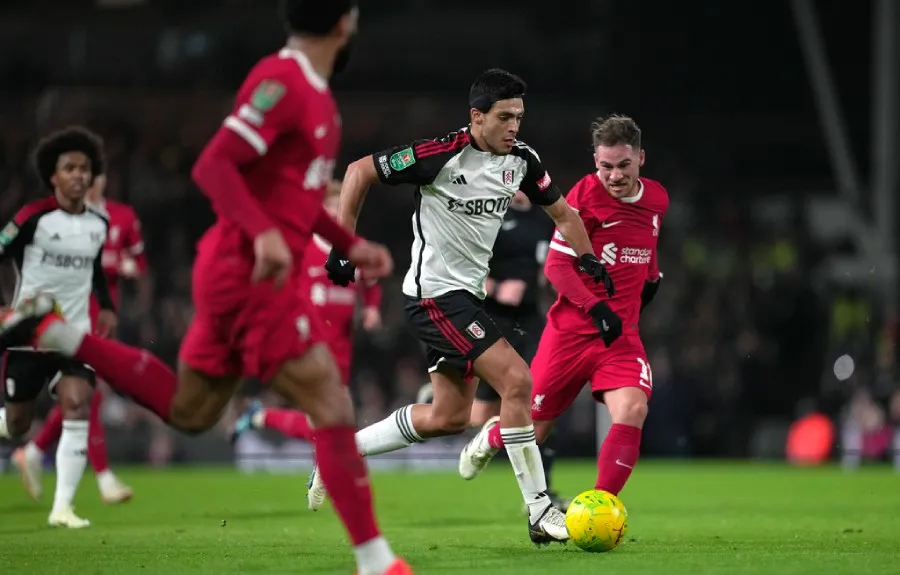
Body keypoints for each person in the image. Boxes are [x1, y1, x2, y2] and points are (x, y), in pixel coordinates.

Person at [0, 2, 411, 573]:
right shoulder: (283, 81)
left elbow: (291, 197)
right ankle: (377, 561)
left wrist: (347, 242)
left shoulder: (314, 93)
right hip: (250, 276)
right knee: (330, 399)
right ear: (345, 22)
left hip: (242, 272)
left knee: (190, 411)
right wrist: (263, 234)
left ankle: (58, 334)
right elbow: (213, 165)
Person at [308, 68, 619, 545]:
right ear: (477, 117)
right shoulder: (439, 155)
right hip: (433, 296)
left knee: (449, 418)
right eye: (504, 117)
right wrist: (343, 246)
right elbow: (358, 171)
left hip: (466, 298)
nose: (514, 126)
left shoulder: (522, 160)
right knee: (518, 380)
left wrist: (588, 257)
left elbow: (563, 213)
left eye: (519, 116)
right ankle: (539, 510)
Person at [458, 114, 668, 500]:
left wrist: (652, 277)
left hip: (619, 336)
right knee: (534, 431)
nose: (615, 176)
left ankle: (601, 506)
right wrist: (596, 308)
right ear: (595, 161)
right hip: (570, 333)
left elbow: (646, 242)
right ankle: (491, 436)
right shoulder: (584, 196)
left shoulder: (657, 199)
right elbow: (556, 266)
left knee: (633, 410)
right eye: (606, 166)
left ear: (641, 158)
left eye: (624, 165)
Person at [416, 190, 569, 509]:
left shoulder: (544, 217)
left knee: (541, 399)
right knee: (483, 414)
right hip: (490, 319)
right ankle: (441, 400)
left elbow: (548, 262)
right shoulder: (488, 215)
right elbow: (457, 267)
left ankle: (542, 493)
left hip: (531, 320)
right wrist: (497, 288)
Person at [0, 126, 117, 528]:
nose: (79, 175)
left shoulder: (99, 224)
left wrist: (107, 307)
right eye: (70, 168)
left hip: (73, 334)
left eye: (85, 168)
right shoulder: (31, 218)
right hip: (28, 337)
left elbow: (95, 271)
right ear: (53, 176)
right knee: (18, 425)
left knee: (78, 403)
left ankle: (62, 508)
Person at [13, 170, 142, 505]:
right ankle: (102, 477)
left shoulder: (122, 216)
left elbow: (138, 263)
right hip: (71, 316)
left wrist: (128, 266)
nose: (90, 181)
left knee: (84, 395)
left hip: (104, 318)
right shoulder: (61, 221)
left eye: (95, 175)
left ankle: (33, 450)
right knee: (87, 394)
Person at [231, 180, 383, 442]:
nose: (336, 213)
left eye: (341, 206)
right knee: (333, 420)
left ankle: (261, 416)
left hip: (342, 344)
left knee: (331, 422)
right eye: (331, 206)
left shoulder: (356, 248)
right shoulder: (303, 246)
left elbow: (370, 283)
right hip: (311, 344)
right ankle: (321, 461)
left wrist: (371, 308)